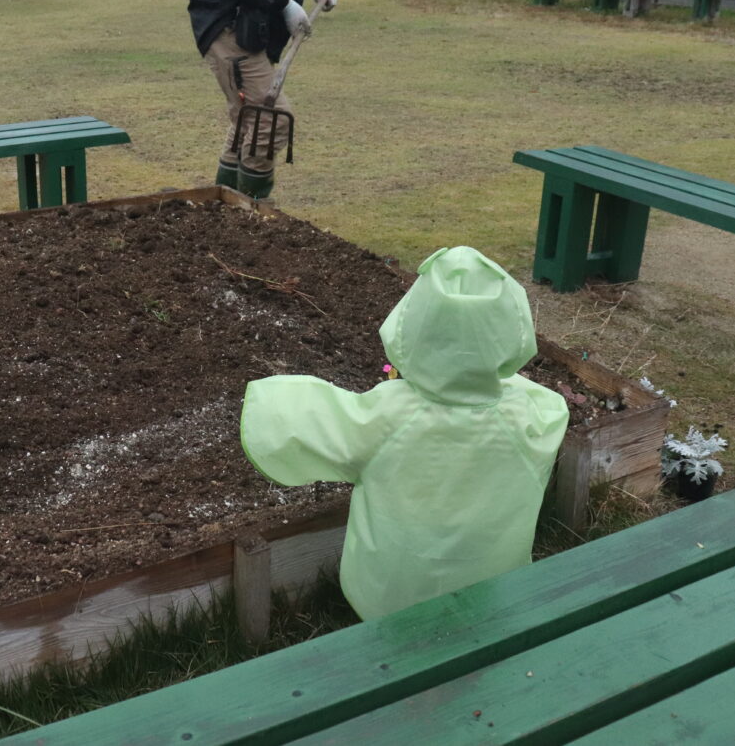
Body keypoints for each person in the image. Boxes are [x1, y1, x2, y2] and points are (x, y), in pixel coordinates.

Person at [239, 247, 569, 619]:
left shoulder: (388, 415)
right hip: (493, 591)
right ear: (512, 332)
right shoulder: (534, 416)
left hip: (389, 600)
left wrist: (266, 398)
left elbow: (297, 424)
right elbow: (539, 398)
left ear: (412, 326)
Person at [188, 0, 338, 200]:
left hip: (250, 20)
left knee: (248, 118)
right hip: (228, 19)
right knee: (270, 119)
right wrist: (282, 3)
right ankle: (253, 214)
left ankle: (224, 207)